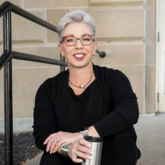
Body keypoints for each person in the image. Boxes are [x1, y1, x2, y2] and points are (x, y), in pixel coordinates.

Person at [33, 10, 141, 165]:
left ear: (94, 46)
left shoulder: (114, 78)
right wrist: (67, 148)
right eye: (70, 40)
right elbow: (42, 133)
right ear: (61, 49)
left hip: (111, 154)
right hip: (71, 155)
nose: (79, 46)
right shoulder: (48, 89)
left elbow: (129, 111)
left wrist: (81, 135)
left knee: (122, 134)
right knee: (51, 157)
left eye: (85, 39)